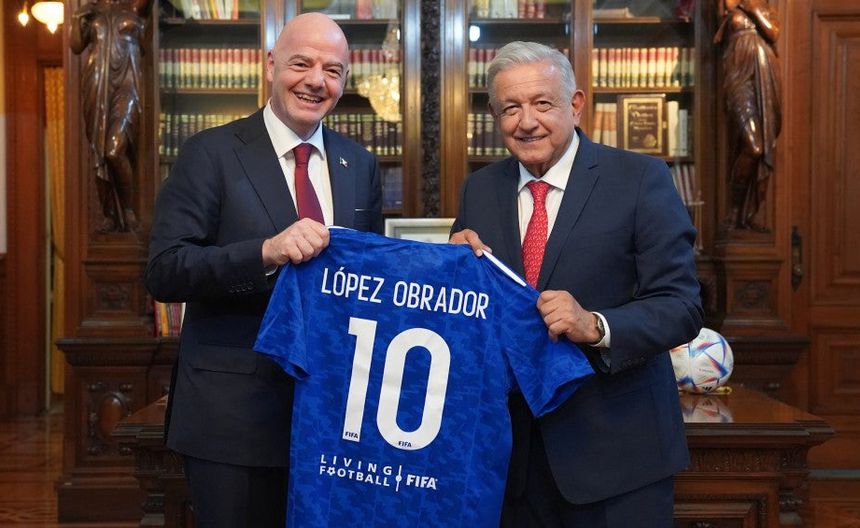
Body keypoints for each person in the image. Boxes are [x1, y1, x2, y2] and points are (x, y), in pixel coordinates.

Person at [449, 41, 703, 527]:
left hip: (618, 459)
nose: (526, 122)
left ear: (576, 104)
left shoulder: (640, 178)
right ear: (495, 117)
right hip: (510, 462)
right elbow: (469, 316)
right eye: (510, 108)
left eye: (542, 103)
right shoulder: (479, 189)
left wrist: (596, 325)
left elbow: (682, 306)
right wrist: (452, 268)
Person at [144, 13, 383, 527]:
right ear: (271, 65)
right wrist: (265, 252)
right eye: (301, 64)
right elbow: (165, 270)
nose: (316, 81)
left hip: (332, 415)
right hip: (232, 418)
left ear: (345, 81)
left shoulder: (359, 164)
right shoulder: (210, 153)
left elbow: (371, 279)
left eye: (333, 70)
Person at [70, 0, 151, 232]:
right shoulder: (93, 9)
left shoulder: (135, 6)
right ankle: (109, 214)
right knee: (99, 150)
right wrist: (77, 18)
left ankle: (128, 209)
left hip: (128, 81)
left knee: (113, 150)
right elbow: (76, 46)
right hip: (97, 82)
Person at [714, 0, 781, 232]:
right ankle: (734, 212)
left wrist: (753, 9)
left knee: (761, 143)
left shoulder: (764, 6)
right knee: (753, 146)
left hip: (764, 72)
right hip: (738, 76)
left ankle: (747, 214)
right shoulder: (728, 4)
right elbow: (720, 23)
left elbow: (773, 33)